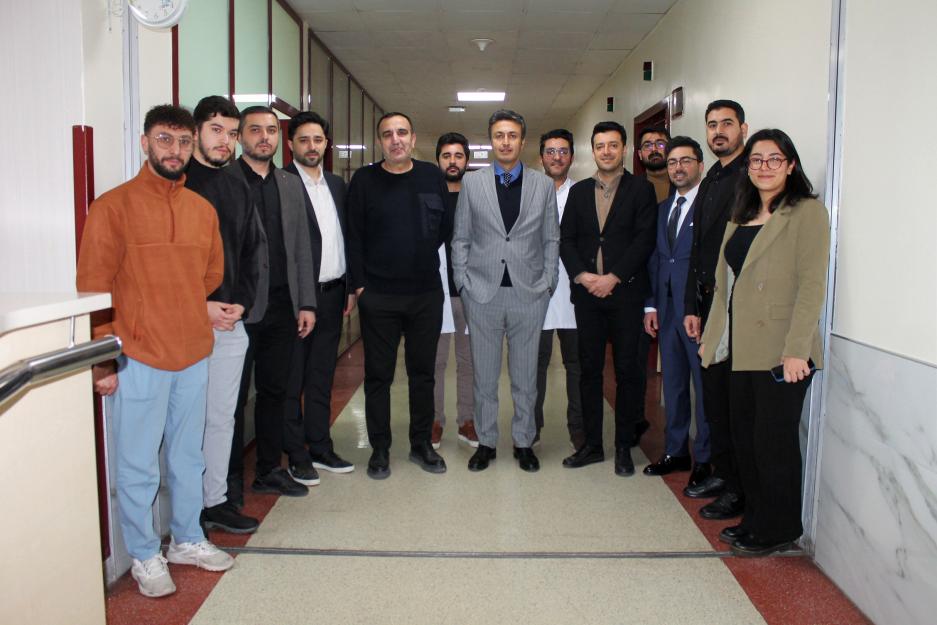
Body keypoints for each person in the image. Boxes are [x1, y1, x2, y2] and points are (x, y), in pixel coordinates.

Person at [77, 104, 233, 598]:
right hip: (138, 354)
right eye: (165, 139)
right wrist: (103, 360)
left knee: (188, 456)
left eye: (184, 141)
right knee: (138, 462)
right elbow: (94, 288)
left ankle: (186, 538)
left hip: (192, 353)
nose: (175, 150)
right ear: (145, 143)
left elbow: (210, 275)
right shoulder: (113, 207)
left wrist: (183, 309)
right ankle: (144, 553)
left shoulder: (201, 210)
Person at [699, 128, 829, 557]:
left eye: (774, 159)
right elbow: (724, 285)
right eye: (756, 160)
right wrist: (713, 340)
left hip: (781, 351)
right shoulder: (742, 213)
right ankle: (755, 518)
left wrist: (796, 350)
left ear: (790, 165)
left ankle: (779, 528)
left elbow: (812, 286)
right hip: (739, 348)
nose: (764, 167)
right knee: (746, 441)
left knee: (773, 444)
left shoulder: (807, 212)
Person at [451, 109, 559, 473]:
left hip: (529, 293)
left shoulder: (542, 185)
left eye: (512, 135)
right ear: (491, 140)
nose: (506, 142)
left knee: (525, 377)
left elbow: (551, 238)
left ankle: (524, 441)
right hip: (482, 293)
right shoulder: (473, 183)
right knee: (484, 376)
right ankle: (486, 442)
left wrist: (548, 282)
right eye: (499, 135)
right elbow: (461, 237)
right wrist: (463, 283)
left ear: (522, 141)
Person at [346, 112, 453, 479]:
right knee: (379, 376)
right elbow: (353, 236)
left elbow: (444, 228)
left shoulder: (431, 176)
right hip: (379, 296)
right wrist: (360, 286)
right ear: (380, 142)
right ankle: (379, 448)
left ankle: (421, 444)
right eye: (388, 134)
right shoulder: (364, 181)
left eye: (402, 132)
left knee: (423, 373)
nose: (396, 140)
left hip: (425, 294)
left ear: (413, 138)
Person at [227, 106, 317, 501]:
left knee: (274, 392)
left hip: (282, 307)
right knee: (230, 401)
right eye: (255, 130)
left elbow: (301, 249)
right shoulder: (225, 181)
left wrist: (307, 303)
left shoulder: (290, 183)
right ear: (240, 137)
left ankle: (268, 470)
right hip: (238, 311)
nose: (264, 137)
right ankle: (227, 483)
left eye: (271, 130)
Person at [559, 121, 657, 476]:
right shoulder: (579, 192)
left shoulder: (641, 189)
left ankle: (623, 447)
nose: (606, 151)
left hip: (626, 294)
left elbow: (644, 239)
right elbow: (566, 239)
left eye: (613, 145)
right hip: (588, 297)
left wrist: (613, 277)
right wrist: (583, 276)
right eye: (600, 146)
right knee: (589, 371)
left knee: (628, 371)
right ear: (593, 150)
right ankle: (592, 445)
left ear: (624, 149)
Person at [185, 96, 261, 535]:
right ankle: (186, 510)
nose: (225, 141)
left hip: (231, 322)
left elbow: (252, 250)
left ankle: (215, 501)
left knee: (222, 418)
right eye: (216, 130)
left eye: (232, 133)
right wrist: (201, 305)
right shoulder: (178, 183)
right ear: (196, 130)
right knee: (185, 422)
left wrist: (241, 304)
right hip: (186, 322)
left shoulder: (236, 186)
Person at [682, 100, 750, 520]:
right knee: (714, 398)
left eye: (727, 123)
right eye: (712, 125)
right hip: (708, 304)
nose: (719, 131)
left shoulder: (749, 177)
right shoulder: (711, 178)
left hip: (736, 306)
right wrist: (692, 305)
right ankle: (723, 475)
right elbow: (698, 249)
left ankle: (739, 489)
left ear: (744, 128)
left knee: (734, 401)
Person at [282, 111, 357, 484]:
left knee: (322, 375)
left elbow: (347, 238)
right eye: (304, 140)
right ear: (291, 144)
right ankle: (296, 454)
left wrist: (350, 288)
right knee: (292, 378)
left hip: (333, 293)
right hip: (298, 299)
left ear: (326, 144)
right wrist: (300, 300)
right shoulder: (282, 183)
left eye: (318, 140)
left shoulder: (337, 184)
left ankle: (320, 446)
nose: (311, 147)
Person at [643, 136, 710, 488]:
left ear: (700, 165)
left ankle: (706, 459)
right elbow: (656, 259)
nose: (678, 168)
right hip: (667, 311)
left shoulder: (710, 207)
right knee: (673, 384)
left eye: (685, 161)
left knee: (704, 388)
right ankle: (676, 450)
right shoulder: (662, 209)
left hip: (697, 312)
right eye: (672, 162)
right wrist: (651, 304)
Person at [536, 128, 583, 450]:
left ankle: (579, 429)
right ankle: (531, 429)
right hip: (535, 294)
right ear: (542, 157)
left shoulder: (584, 194)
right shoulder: (529, 192)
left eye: (563, 151)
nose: (557, 157)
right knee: (533, 366)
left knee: (577, 366)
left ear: (572, 157)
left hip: (576, 293)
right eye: (551, 151)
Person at [431, 132, 478, 449]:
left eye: (458, 156)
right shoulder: (429, 195)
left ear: (466, 161)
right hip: (435, 293)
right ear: (438, 160)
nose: (452, 161)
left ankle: (467, 421)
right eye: (446, 155)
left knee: (469, 362)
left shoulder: (476, 196)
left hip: (470, 293)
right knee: (434, 362)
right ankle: (434, 421)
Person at [633, 125, 674, 445]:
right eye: (648, 145)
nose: (654, 149)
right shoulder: (633, 190)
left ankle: (678, 437)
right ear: (639, 154)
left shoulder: (685, 187)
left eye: (660, 143)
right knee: (635, 362)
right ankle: (635, 420)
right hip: (641, 289)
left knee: (676, 367)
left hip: (678, 292)